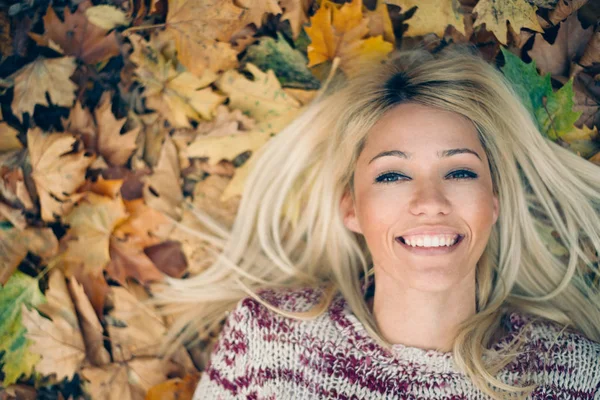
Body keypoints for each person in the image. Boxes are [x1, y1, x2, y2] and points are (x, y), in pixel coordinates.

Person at [154, 45, 600, 399]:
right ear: (352, 208)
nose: (430, 202)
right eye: (392, 175)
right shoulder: (269, 336)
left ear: (494, 201)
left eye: (460, 171)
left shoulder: (579, 376)